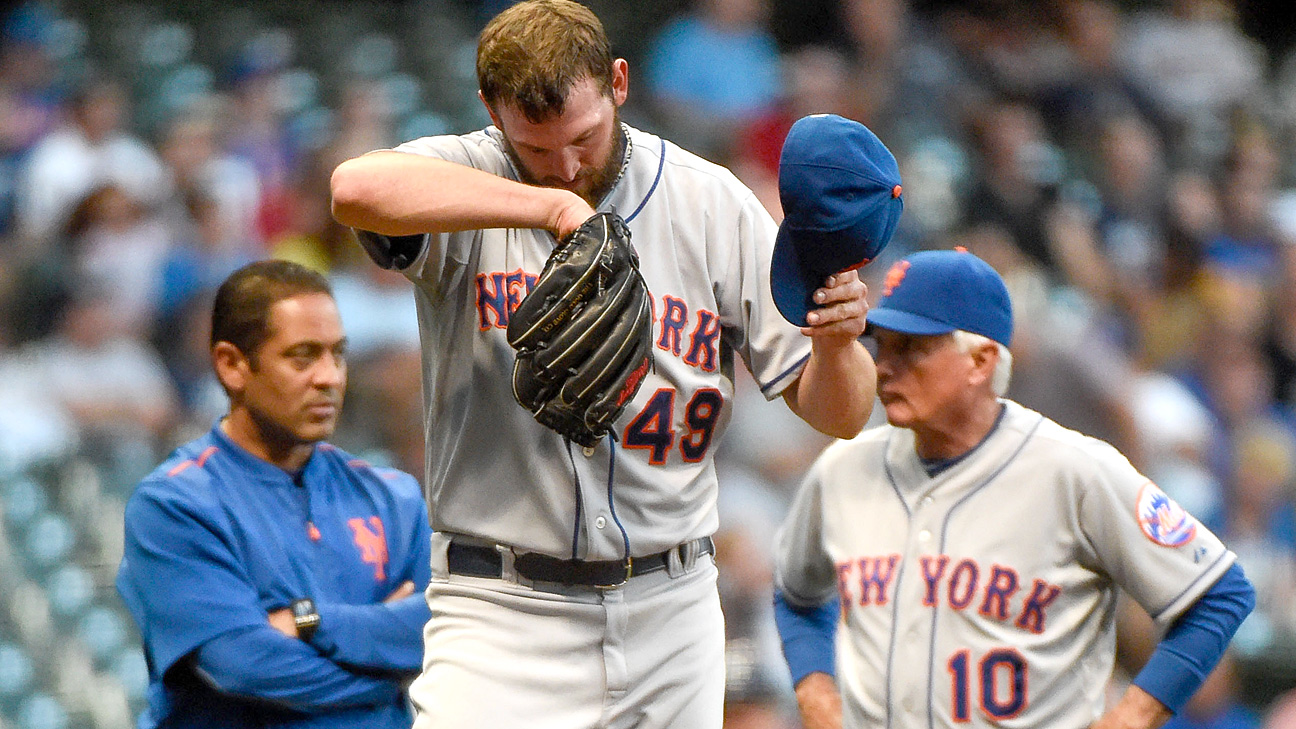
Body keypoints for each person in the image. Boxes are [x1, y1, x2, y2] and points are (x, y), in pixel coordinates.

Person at [327, 1, 879, 726]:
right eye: (537, 147)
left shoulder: (709, 201)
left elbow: (842, 413)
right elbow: (354, 189)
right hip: (502, 607)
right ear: (492, 111)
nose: (564, 164)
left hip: (670, 603)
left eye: (584, 137)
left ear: (618, 82)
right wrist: (547, 208)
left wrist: (837, 342)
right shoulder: (471, 172)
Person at [772, 249, 1256, 729]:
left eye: (912, 348)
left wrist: (1133, 716)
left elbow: (1219, 594)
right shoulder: (842, 469)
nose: (883, 367)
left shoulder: (1073, 470)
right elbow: (796, 594)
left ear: (980, 361)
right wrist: (816, 692)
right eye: (882, 345)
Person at [115, 259, 432, 729]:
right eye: (303, 356)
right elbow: (243, 665)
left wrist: (310, 621)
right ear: (232, 365)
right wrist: (388, 676)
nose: (330, 377)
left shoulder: (392, 496)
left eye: (338, 354)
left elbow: (440, 634)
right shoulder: (175, 504)